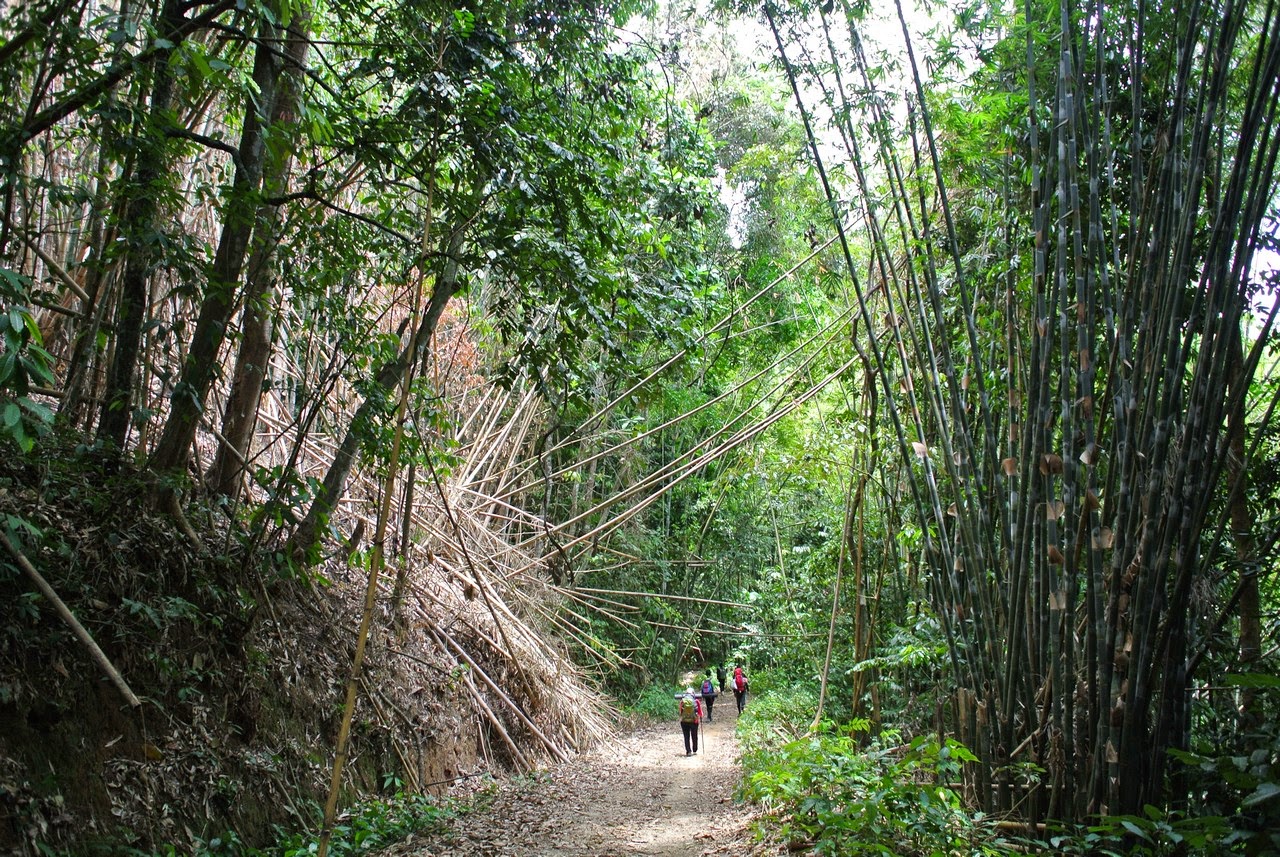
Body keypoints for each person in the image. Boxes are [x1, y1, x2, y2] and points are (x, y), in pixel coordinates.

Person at [677, 687, 703, 755]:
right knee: (694, 735)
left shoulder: (682, 701)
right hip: (694, 721)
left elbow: (680, 712)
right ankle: (694, 750)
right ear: (693, 693)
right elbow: (700, 713)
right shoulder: (696, 701)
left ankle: (688, 751)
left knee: (686, 736)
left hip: (684, 721)